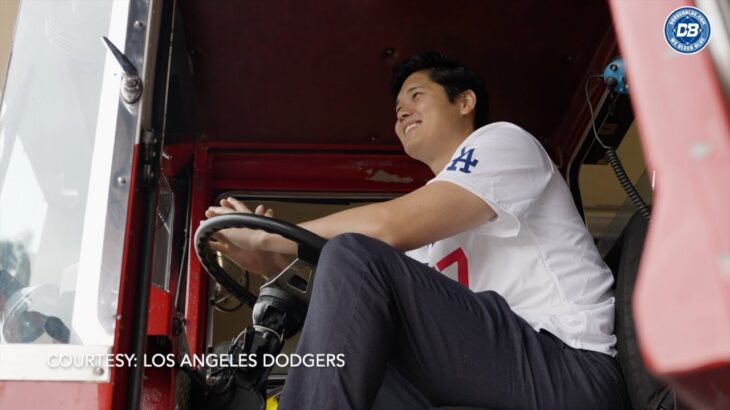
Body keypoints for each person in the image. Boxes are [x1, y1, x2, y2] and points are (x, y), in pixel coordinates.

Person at [205, 51, 629, 409]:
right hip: (498, 372)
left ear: (464, 101)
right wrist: (273, 264)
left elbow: (385, 230)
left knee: (354, 255)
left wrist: (268, 234)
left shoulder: (503, 143)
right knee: (366, 358)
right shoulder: (424, 243)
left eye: (417, 96)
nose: (402, 112)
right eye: (397, 110)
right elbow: (353, 314)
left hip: (571, 369)